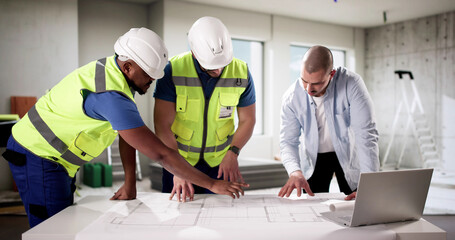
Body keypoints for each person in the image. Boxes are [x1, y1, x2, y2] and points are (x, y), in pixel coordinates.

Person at [2, 27, 248, 228]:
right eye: (149, 75)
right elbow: (162, 154)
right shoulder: (111, 96)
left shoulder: (114, 74)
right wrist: (212, 184)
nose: (152, 81)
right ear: (128, 66)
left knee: (64, 221)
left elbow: (127, 135)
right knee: (53, 228)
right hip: (38, 155)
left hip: (55, 159)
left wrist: (130, 182)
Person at [154, 16, 256, 202]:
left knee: (222, 217)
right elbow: (162, 124)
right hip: (178, 159)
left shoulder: (242, 72)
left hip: (221, 162)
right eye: (211, 68)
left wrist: (233, 152)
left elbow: (248, 119)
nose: (218, 72)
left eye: (222, 65)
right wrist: (177, 168)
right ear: (194, 53)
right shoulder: (173, 70)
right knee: (175, 220)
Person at [278, 45, 379, 201]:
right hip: (314, 157)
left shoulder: (351, 84)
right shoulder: (291, 97)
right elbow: (288, 141)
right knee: (314, 206)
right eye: (304, 81)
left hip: (347, 153)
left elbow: (366, 134)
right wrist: (295, 171)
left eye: (317, 83)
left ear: (331, 74)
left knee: (360, 200)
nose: (309, 89)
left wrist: (371, 185)